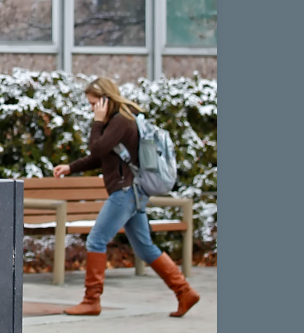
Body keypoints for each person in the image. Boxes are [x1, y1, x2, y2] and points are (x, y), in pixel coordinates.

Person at [51, 78, 201, 317]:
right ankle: (184, 292)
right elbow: (103, 157)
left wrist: (97, 123)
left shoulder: (121, 121)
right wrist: (71, 167)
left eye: (93, 104)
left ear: (105, 100)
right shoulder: (119, 122)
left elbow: (97, 148)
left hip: (125, 193)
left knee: (96, 240)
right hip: (133, 192)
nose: (92, 109)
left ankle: (91, 300)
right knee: (144, 247)